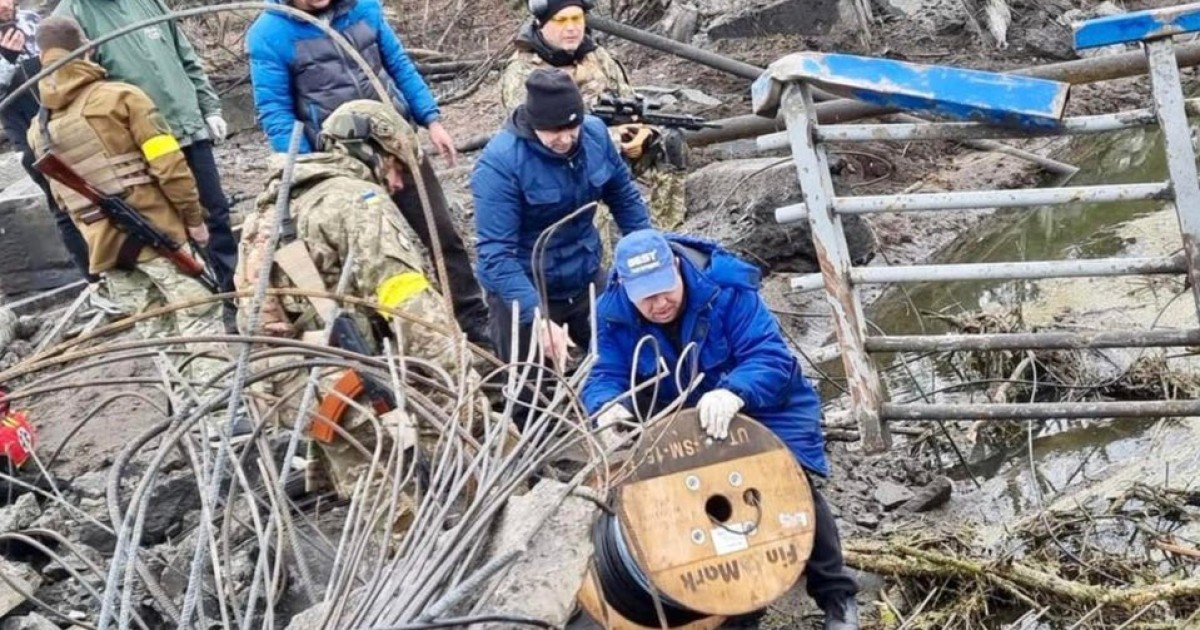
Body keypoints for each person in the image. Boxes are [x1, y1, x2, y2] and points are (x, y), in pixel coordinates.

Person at [582, 229, 860, 630]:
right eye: (646, 297)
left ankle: (837, 597)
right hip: (682, 415)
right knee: (688, 501)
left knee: (789, 485)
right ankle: (734, 605)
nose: (659, 303)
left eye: (665, 290)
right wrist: (606, 407)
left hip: (768, 404)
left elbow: (770, 356)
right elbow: (604, 373)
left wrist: (734, 392)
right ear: (625, 288)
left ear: (676, 267)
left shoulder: (726, 287)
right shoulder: (612, 313)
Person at [235, 99, 480, 497]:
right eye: (397, 167)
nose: (399, 183)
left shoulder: (272, 208)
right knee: (437, 465)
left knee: (370, 502)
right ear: (372, 153)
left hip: (289, 390)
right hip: (348, 390)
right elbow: (411, 307)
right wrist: (458, 380)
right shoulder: (359, 203)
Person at [245, 0, 492, 350]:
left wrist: (430, 118)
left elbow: (399, 65)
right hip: (345, 166)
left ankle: (473, 321)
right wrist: (314, 169)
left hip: (395, 145)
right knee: (374, 257)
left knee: (441, 234)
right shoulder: (268, 34)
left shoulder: (365, 8)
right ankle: (397, 342)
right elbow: (276, 112)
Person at [27, 16, 233, 432]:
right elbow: (170, 167)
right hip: (158, 234)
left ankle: (190, 421)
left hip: (106, 249)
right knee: (198, 315)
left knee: (158, 332)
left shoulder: (39, 129)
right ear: (87, 50)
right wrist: (194, 221)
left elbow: (63, 203)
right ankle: (226, 417)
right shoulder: (121, 97)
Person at [53, 0, 240, 328]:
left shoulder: (148, 2)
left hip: (187, 129)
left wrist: (208, 106)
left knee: (215, 215)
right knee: (170, 232)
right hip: (137, 146)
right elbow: (69, 91)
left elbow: (185, 56)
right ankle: (198, 310)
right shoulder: (69, 17)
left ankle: (235, 295)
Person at [472, 68, 650, 370]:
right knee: (530, 390)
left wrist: (646, 254)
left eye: (572, 128)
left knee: (630, 362)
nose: (566, 139)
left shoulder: (594, 135)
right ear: (534, 125)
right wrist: (538, 317)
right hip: (524, 288)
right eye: (555, 131)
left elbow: (625, 199)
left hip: (585, 277)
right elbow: (495, 256)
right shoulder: (500, 163)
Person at [500, 0, 688, 235]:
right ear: (541, 23)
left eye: (576, 19)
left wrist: (642, 131)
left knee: (669, 142)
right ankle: (601, 263)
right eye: (561, 20)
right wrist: (614, 139)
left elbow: (628, 103)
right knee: (587, 170)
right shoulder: (522, 72)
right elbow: (540, 139)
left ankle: (665, 237)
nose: (571, 28)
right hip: (554, 167)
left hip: (610, 150)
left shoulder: (597, 56)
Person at [0, 0, 92, 283]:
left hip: (69, 118)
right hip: (26, 131)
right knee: (63, 204)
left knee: (99, 190)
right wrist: (6, 59)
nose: (4, 5)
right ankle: (95, 280)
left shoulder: (36, 22)